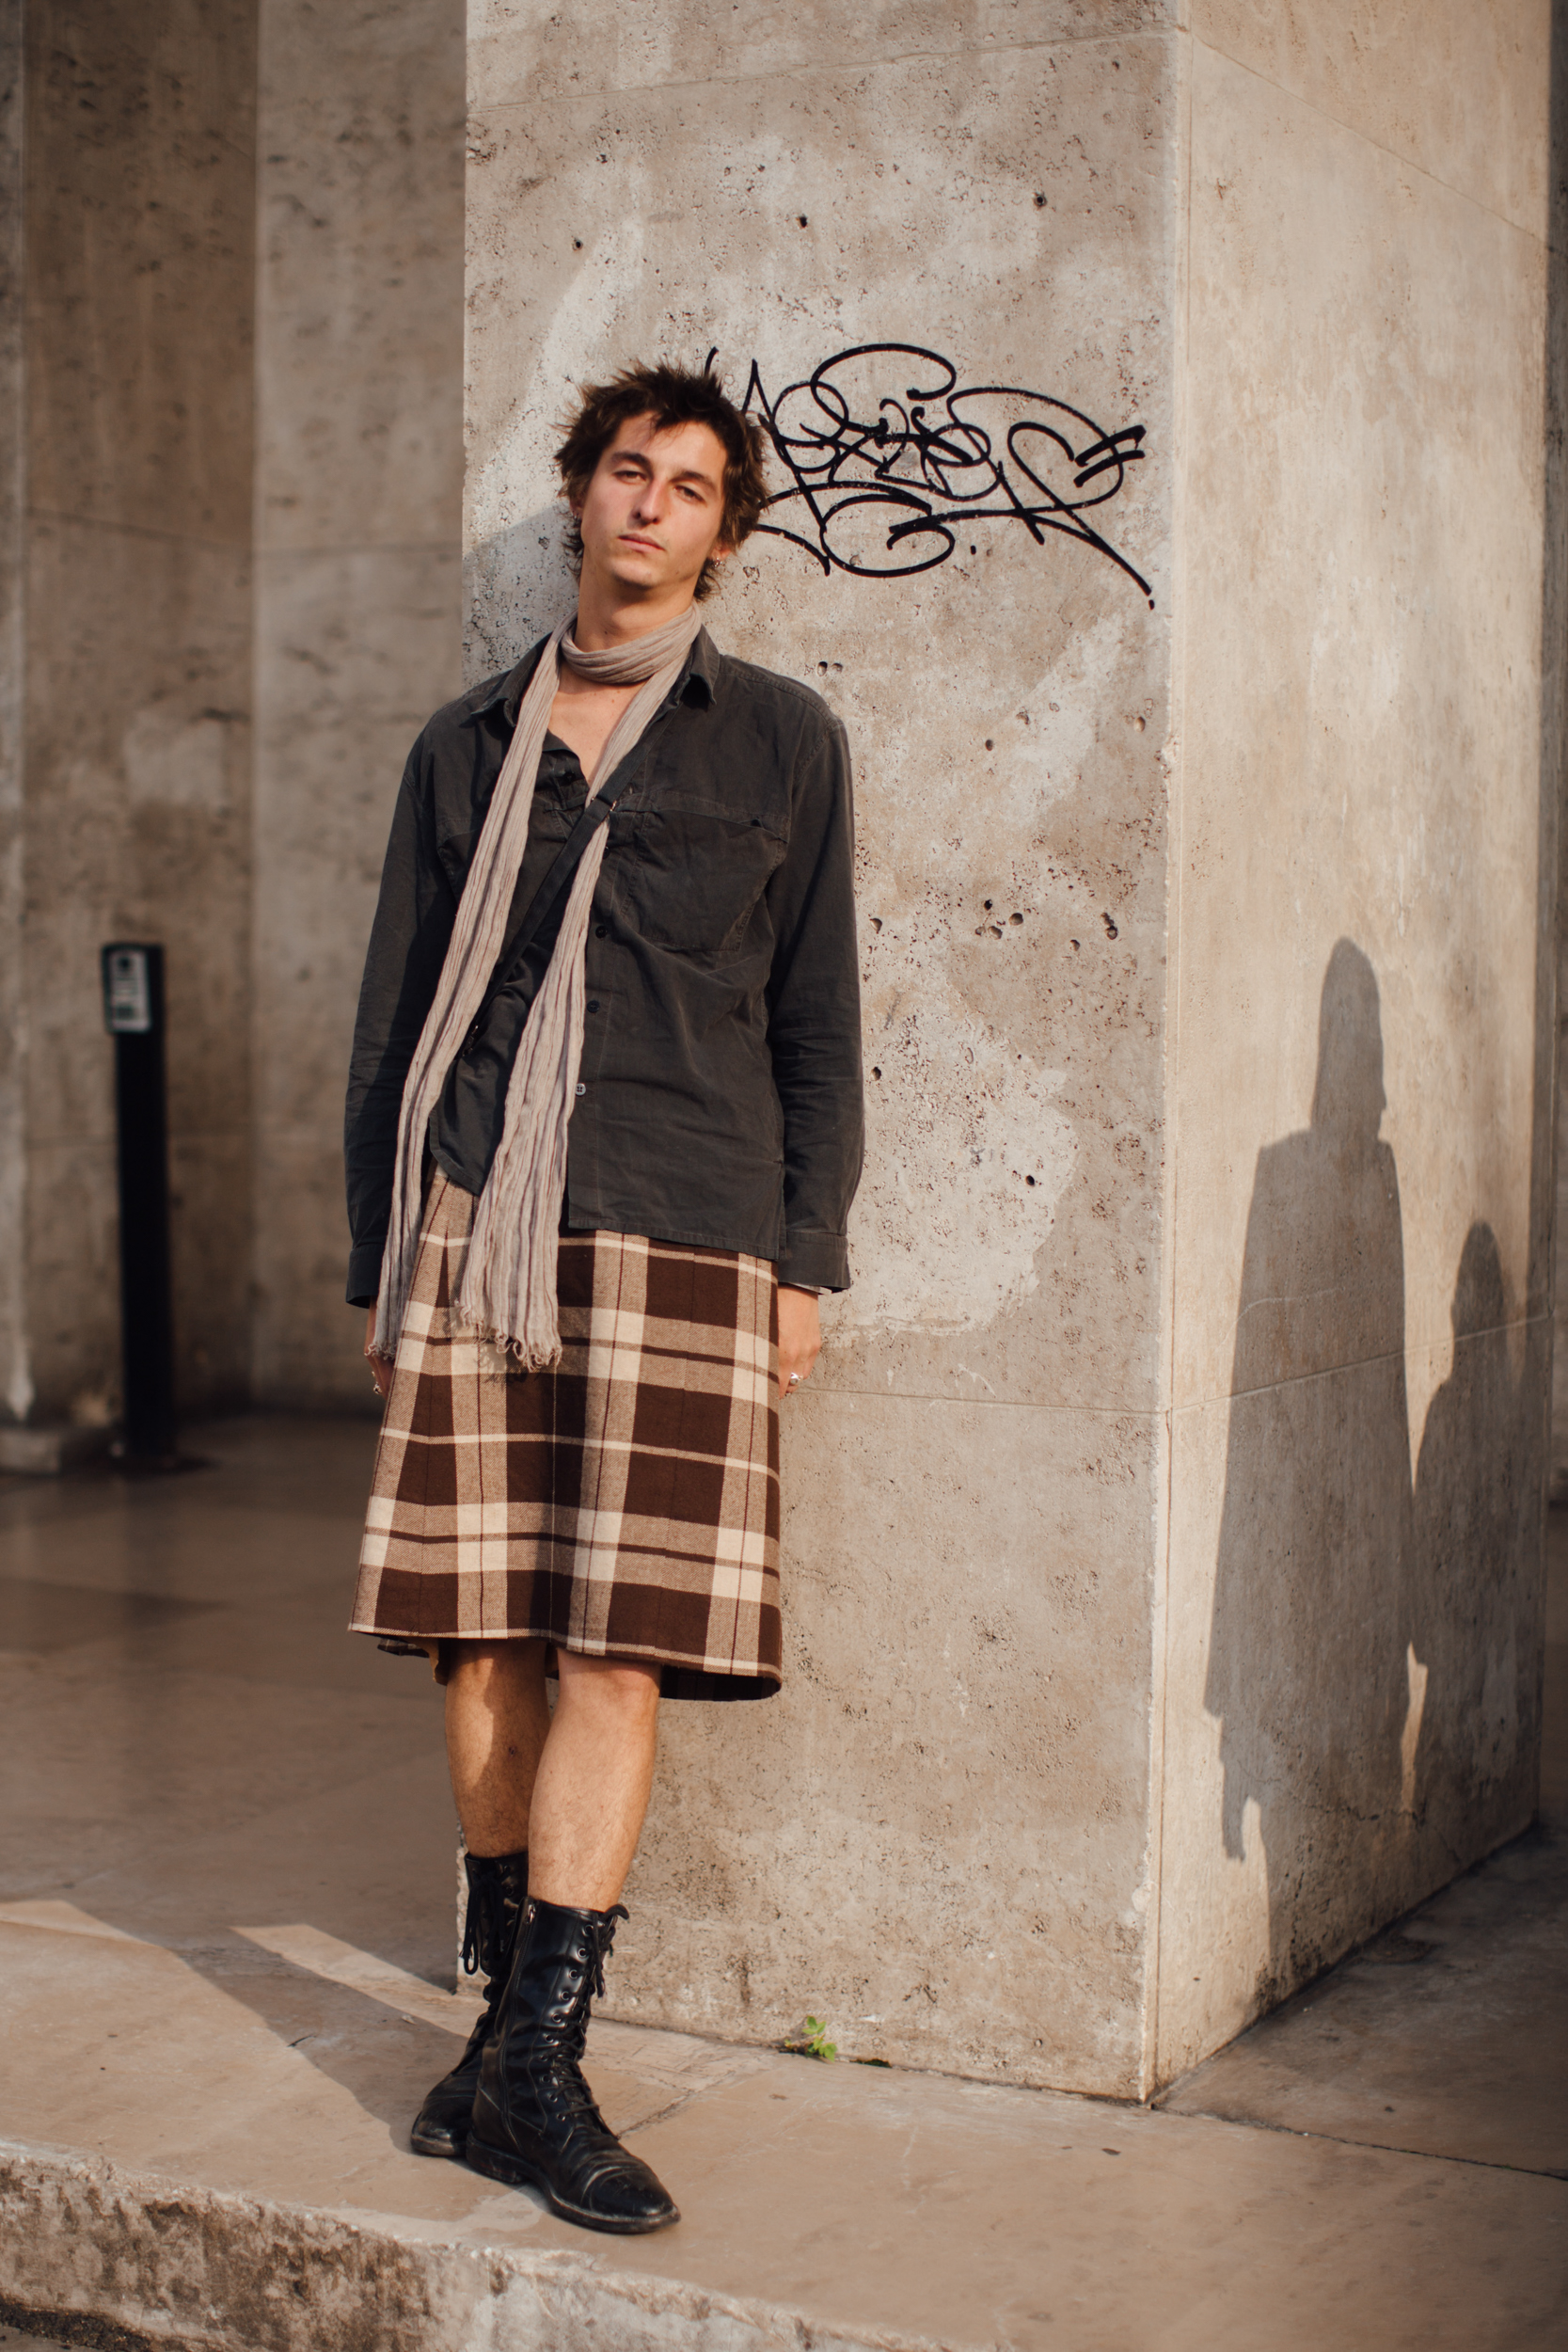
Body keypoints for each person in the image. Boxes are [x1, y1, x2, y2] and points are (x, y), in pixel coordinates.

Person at [341, 360, 863, 2235]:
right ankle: (506, 2052)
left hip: (683, 1221)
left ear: (722, 532)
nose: (651, 501)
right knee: (477, 1634)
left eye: (690, 483)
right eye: (629, 469)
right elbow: (397, 1015)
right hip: (474, 1215)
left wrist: (804, 1256)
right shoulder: (463, 744)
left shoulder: (780, 740)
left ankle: (535, 2064)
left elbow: (817, 1020)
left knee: (617, 1647)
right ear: (582, 494)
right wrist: (377, 1257)